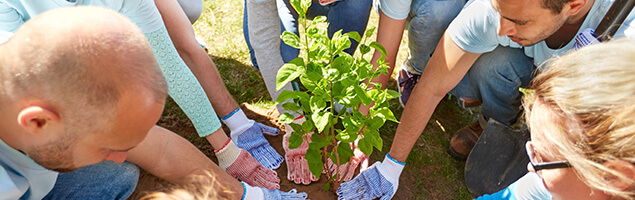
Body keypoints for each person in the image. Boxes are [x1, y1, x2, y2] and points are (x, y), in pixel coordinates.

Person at [0, 6, 307, 200]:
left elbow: (159, 150)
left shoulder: (52, 111)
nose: (121, 155)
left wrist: (247, 195)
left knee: (116, 178)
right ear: (38, 121)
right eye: (108, 145)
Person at [337, 0, 635, 198]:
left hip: (606, 115)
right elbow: (431, 86)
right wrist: (392, 165)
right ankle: (493, 125)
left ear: (574, 5)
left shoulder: (626, 44)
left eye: (518, 21)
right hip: (532, 68)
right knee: (492, 65)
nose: (502, 28)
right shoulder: (497, 11)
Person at [477, 39, 635, 200]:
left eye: (541, 157)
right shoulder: (545, 184)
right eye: (534, 151)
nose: (531, 167)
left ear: (612, 177)